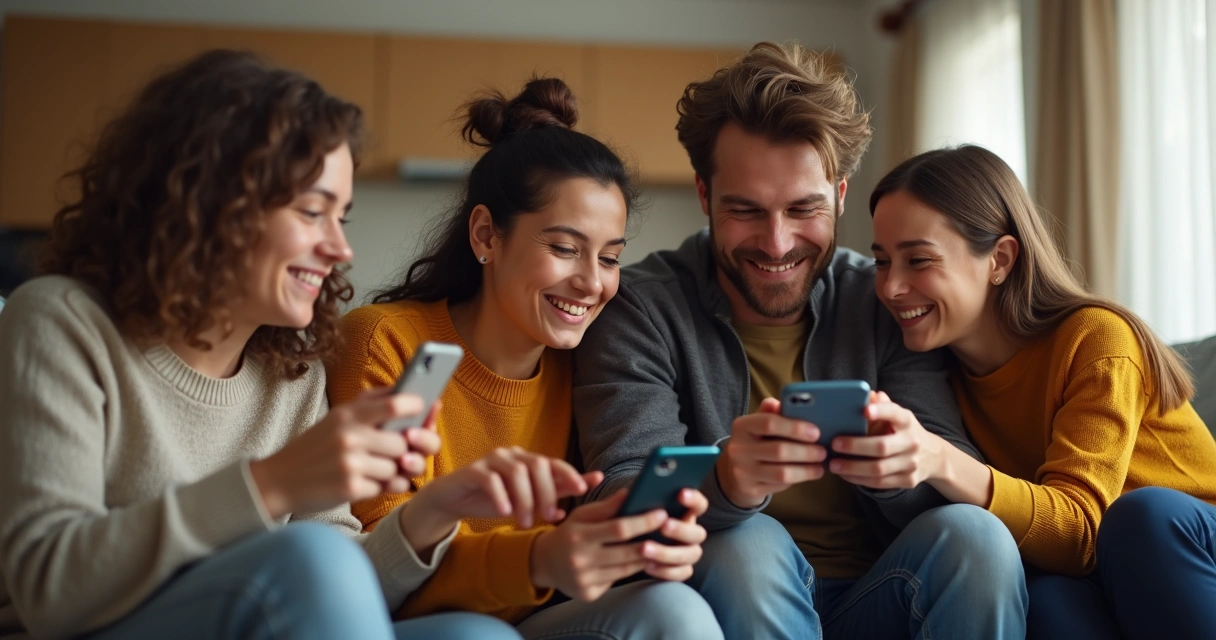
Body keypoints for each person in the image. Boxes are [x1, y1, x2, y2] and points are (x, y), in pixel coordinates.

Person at [0, 50, 522, 640]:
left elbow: (338, 581)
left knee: (477, 638)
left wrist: (433, 513)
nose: (339, 248)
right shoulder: (60, 322)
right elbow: (46, 586)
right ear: (206, 204)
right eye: (311, 211)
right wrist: (271, 483)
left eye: (341, 218)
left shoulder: (289, 371)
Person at [573, 42, 1027, 640]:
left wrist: (903, 467)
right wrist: (727, 484)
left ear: (840, 195)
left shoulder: (884, 299)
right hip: (729, 594)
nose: (778, 242)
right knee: (747, 543)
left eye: (803, 209)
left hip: (883, 591)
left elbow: (946, 463)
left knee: (978, 535)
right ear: (705, 196)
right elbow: (621, 492)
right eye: (746, 211)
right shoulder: (640, 308)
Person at [328, 77, 722, 640]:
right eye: (563, 248)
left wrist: (639, 541)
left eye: (609, 258)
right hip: (410, 625)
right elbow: (377, 574)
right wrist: (540, 557)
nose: (591, 282)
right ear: (487, 235)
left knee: (674, 610)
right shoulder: (385, 344)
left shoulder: (586, 364)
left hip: (532, 622)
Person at [867, 144, 1216, 640]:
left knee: (1141, 516)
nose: (891, 287)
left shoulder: (1096, 339)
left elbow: (1081, 531)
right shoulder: (929, 374)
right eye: (881, 262)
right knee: (1044, 600)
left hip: (1185, 549)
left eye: (918, 260)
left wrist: (939, 459)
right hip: (1097, 576)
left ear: (1000, 260)